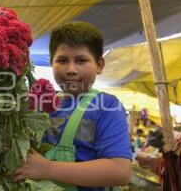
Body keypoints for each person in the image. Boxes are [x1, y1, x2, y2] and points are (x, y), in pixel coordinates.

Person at [10, 22, 132, 190]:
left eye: (81, 60)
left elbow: (120, 171)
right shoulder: (40, 104)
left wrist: (47, 169)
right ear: (51, 62)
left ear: (100, 65)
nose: (71, 69)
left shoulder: (107, 106)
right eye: (62, 60)